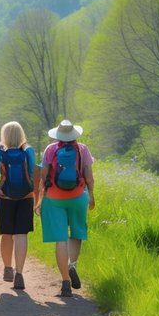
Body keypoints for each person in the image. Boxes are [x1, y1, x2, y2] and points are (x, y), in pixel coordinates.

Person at [36, 119, 95, 297]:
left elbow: (43, 177)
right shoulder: (82, 149)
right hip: (77, 197)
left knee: (60, 239)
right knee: (76, 233)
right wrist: (91, 196)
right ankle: (72, 265)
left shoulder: (50, 149)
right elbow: (89, 177)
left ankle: (65, 283)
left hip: (54, 198)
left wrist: (39, 200)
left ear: (59, 134)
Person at [0, 121, 38, 291]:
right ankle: (20, 274)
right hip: (26, 197)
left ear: (4, 135)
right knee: (21, 234)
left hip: (5, 197)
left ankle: (8, 268)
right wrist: (37, 197)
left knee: (7, 234)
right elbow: (32, 174)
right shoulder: (28, 151)